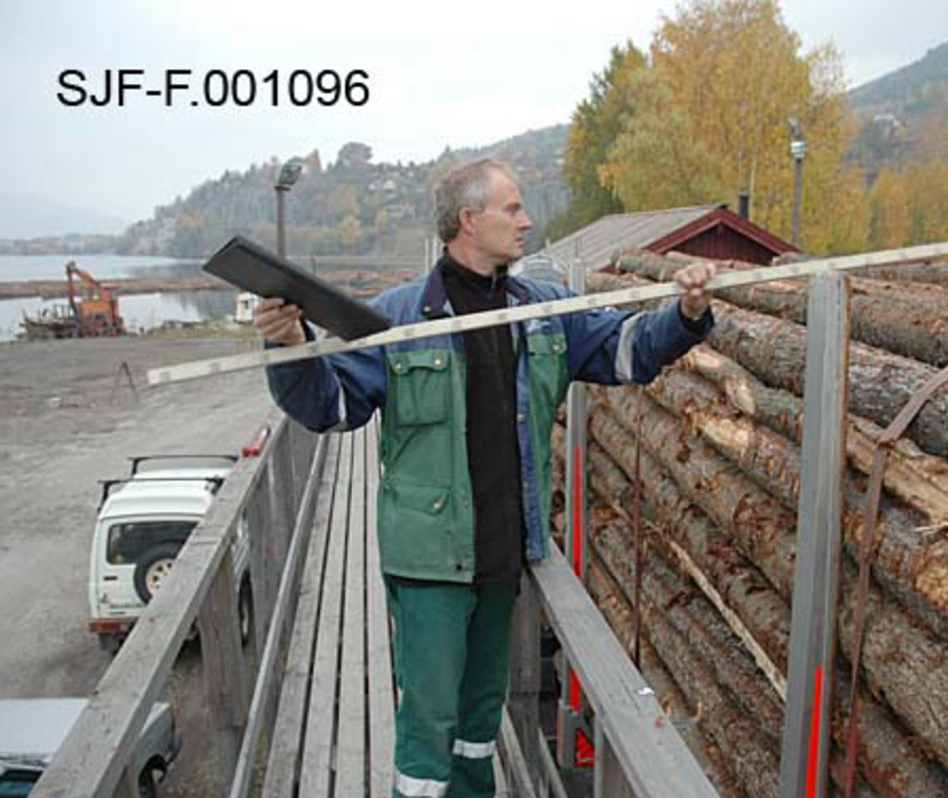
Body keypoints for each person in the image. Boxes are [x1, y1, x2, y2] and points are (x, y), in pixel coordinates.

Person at [255, 158, 716, 797]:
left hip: (501, 554)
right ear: (469, 221)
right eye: (512, 208)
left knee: (477, 722)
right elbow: (330, 408)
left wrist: (685, 316)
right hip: (430, 566)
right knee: (430, 724)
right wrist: (290, 348)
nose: (527, 221)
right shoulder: (398, 317)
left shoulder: (543, 310)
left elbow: (626, 350)